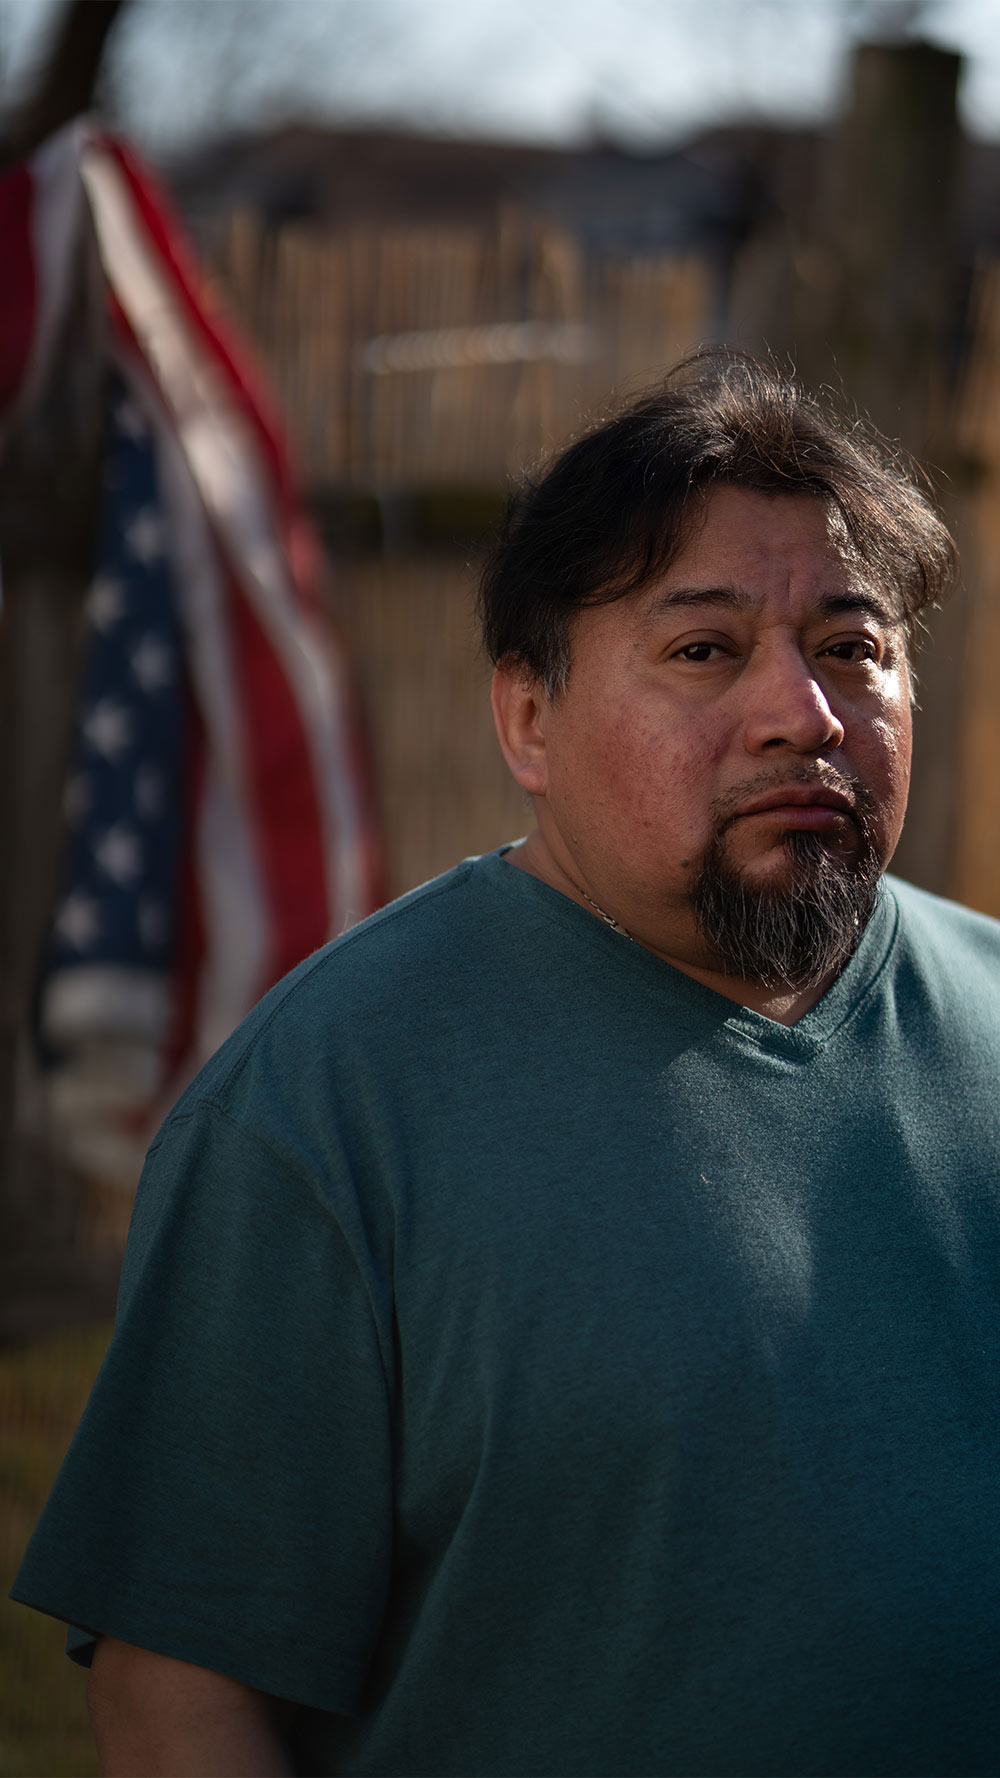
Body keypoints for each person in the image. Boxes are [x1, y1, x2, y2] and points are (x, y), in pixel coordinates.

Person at [12, 351, 1000, 1778]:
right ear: (527, 718)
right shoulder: (322, 1108)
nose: (806, 711)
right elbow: (183, 1694)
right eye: (706, 649)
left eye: (854, 645)